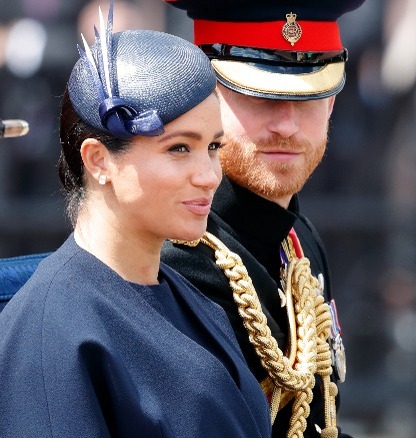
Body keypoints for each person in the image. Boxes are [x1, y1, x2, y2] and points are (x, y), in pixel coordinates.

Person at [0, 3, 270, 437]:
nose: (210, 175)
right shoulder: (55, 335)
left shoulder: (188, 300)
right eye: (179, 148)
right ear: (99, 160)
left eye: (213, 147)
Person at [161, 1, 367, 437]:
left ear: (331, 103)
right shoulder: (172, 258)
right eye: (261, 95)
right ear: (205, 97)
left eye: (308, 96)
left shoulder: (298, 241)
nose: (286, 125)